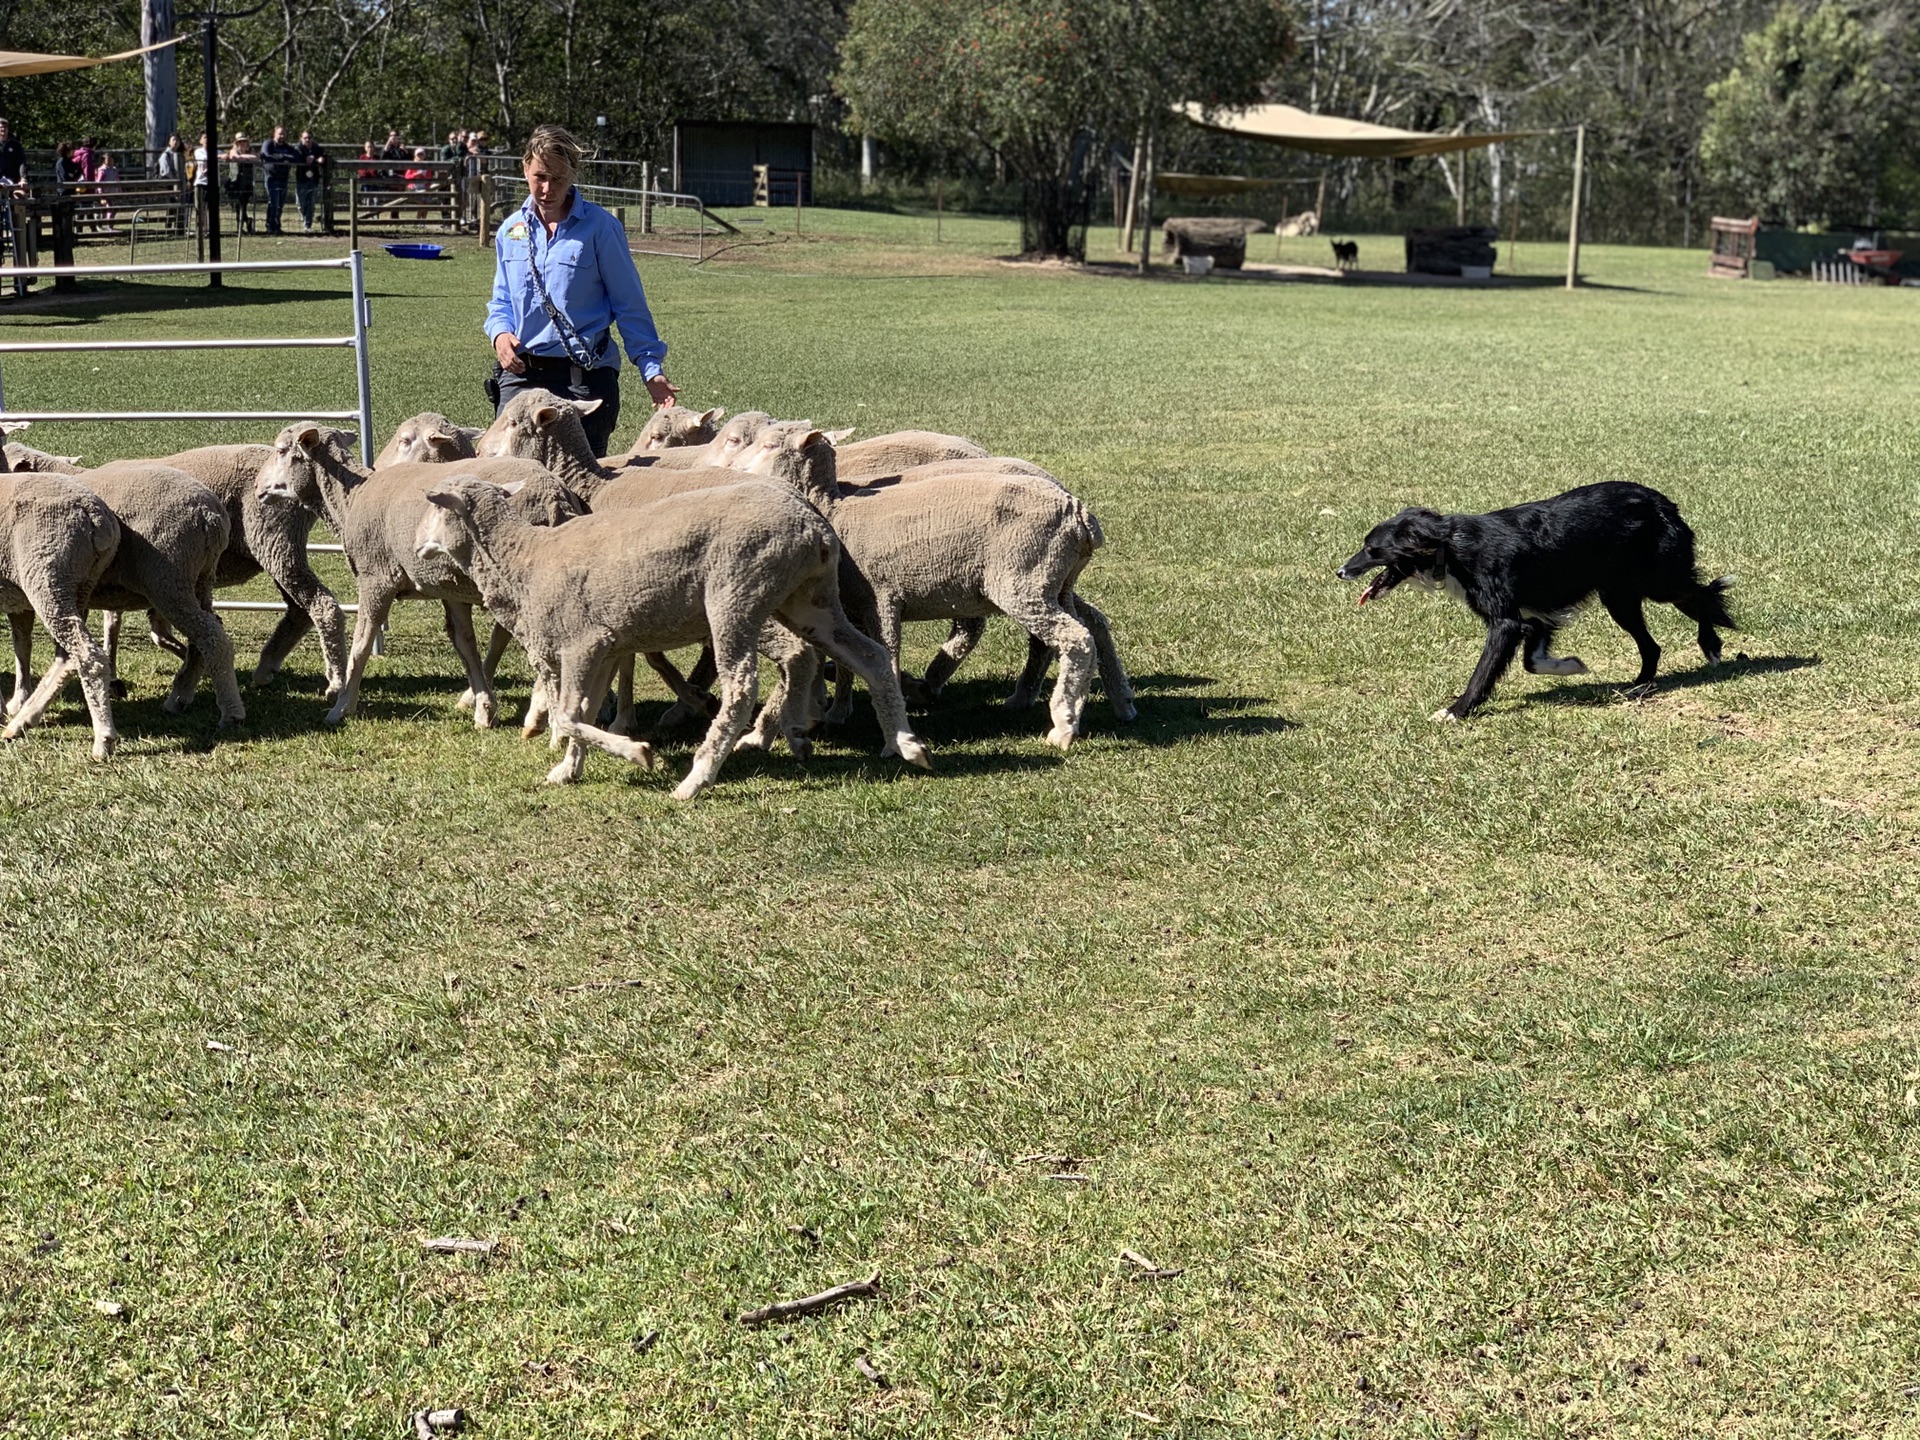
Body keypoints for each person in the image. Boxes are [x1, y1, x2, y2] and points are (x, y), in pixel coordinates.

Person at [485, 124, 675, 457]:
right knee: (507, 483)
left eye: (558, 178)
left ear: (573, 174)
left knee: (582, 489)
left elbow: (629, 305)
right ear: (525, 169)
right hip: (520, 378)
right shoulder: (510, 230)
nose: (547, 188)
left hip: (582, 380)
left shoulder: (601, 228)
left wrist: (651, 370)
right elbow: (501, 300)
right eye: (540, 176)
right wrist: (500, 334)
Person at [0, 118, 33, 296]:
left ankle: (21, 280)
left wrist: (23, 179)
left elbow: (22, 164)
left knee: (20, 200)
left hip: (11, 184)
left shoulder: (14, 145)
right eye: (0, 127)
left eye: (5, 127)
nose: (2, 130)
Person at [261, 124, 297, 234]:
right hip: (271, 177)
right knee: (273, 202)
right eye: (280, 133)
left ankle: (277, 226)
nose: (282, 136)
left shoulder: (288, 147)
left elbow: (295, 157)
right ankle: (269, 227)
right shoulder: (268, 144)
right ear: (274, 134)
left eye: (284, 134)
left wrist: (279, 157)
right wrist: (283, 158)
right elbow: (266, 155)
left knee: (280, 204)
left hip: (283, 178)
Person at [294, 129, 324, 232]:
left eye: (309, 138)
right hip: (301, 178)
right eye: (305, 138)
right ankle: (305, 219)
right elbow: (298, 157)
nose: (307, 140)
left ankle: (308, 225)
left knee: (311, 203)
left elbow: (322, 156)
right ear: (301, 138)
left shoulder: (316, 147)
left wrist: (318, 159)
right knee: (301, 203)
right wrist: (307, 159)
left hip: (314, 179)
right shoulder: (298, 148)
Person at [226, 133, 255, 233]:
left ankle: (240, 227)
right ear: (236, 143)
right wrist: (246, 158)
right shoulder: (233, 150)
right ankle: (247, 221)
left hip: (246, 184)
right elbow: (234, 156)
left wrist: (243, 157)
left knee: (242, 205)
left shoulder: (251, 151)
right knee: (235, 205)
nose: (242, 143)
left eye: (244, 141)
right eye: (240, 141)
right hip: (234, 182)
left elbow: (256, 158)